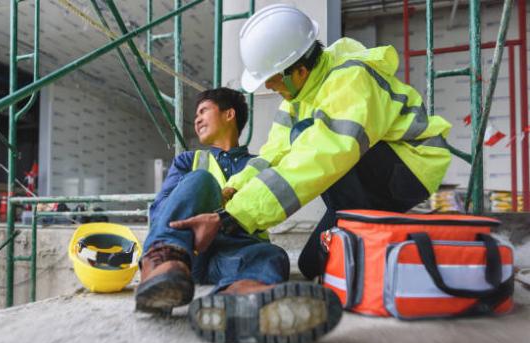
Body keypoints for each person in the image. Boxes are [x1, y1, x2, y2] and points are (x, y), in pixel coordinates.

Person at [171, 4, 452, 281]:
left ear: (300, 71)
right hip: (358, 185)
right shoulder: (296, 100)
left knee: (314, 144)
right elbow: (272, 156)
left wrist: (235, 217)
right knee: (312, 265)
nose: (269, 87)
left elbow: (321, 157)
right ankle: (375, 234)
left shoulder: (351, 79)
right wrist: (233, 189)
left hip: (407, 169)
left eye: (273, 80)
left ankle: (388, 231)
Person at [136, 87, 342, 343]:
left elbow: (270, 208)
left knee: (272, 254)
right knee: (201, 180)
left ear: (229, 114)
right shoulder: (190, 161)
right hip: (188, 254)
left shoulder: (260, 164)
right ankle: (160, 266)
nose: (197, 119)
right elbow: (162, 208)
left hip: (233, 253)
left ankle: (238, 298)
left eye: (203, 111)